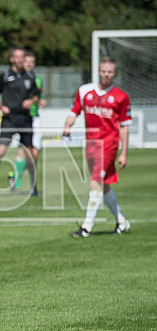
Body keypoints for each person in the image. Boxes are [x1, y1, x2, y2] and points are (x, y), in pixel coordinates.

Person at [63, 57, 132, 237]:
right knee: (105, 185)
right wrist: (67, 125)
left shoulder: (121, 97)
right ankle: (122, 222)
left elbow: (124, 126)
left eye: (110, 72)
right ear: (98, 71)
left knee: (95, 183)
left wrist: (123, 153)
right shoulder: (85, 91)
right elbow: (74, 111)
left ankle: (86, 227)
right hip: (91, 144)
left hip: (108, 145)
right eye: (103, 71)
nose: (106, 75)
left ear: (114, 74)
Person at [0, 47, 40, 197]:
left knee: (30, 153)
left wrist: (31, 101)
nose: (20, 60)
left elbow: (36, 95)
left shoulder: (30, 76)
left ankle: (34, 187)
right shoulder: (5, 76)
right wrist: (1, 106)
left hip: (25, 119)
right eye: (17, 57)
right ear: (12, 59)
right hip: (9, 119)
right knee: (1, 150)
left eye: (22, 57)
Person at [8, 52, 45, 192]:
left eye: (32, 62)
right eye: (27, 61)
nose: (29, 64)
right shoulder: (18, 78)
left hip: (34, 118)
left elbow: (38, 96)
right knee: (24, 150)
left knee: (35, 154)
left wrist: (41, 101)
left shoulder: (37, 79)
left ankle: (14, 176)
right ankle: (17, 183)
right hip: (22, 119)